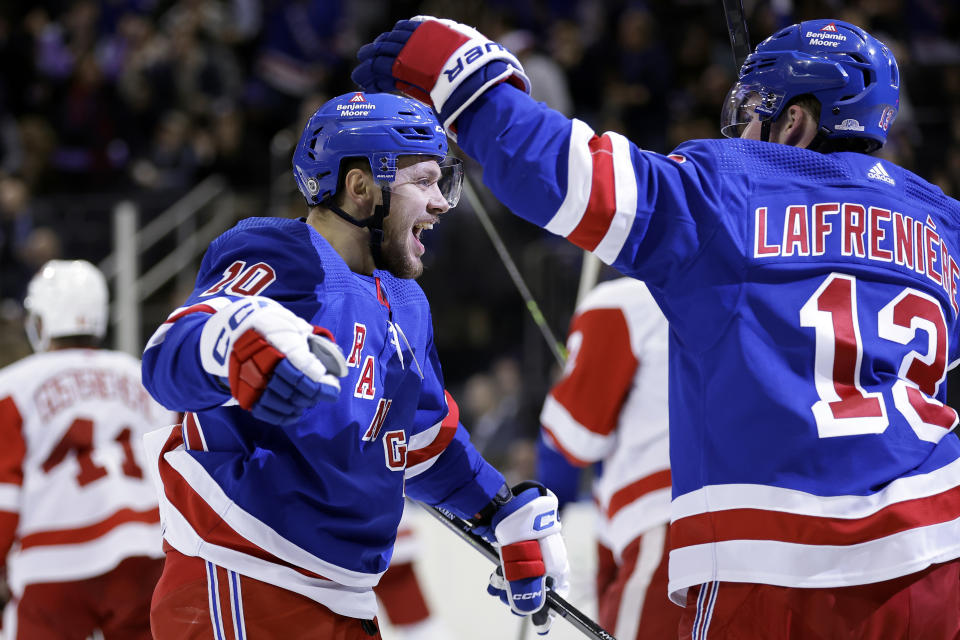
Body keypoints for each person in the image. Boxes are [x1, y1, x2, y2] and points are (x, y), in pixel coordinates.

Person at [353, 17, 960, 639]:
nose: (743, 130)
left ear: (796, 121)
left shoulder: (729, 185)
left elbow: (553, 167)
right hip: (940, 556)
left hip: (773, 564)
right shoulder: (946, 225)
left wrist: (452, 62)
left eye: (752, 112)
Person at [140, 91, 570, 639]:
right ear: (361, 186)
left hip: (344, 597)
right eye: (422, 181)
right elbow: (169, 357)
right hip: (247, 577)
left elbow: (419, 443)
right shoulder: (282, 256)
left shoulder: (406, 300)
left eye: (441, 181)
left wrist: (497, 509)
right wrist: (232, 341)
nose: (441, 202)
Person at [0, 259, 173, 639]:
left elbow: (5, 497)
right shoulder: (144, 377)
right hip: (146, 552)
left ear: (40, 321)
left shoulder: (12, 386)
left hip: (54, 559)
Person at [537, 276, 677, 639]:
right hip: (772, 527)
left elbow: (577, 438)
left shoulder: (626, 298)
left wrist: (565, 387)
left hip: (667, 523)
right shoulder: (749, 284)